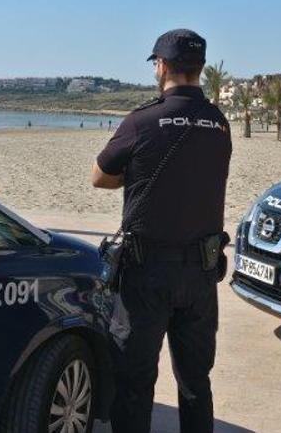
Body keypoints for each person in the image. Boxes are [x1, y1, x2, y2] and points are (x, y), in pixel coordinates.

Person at [91, 28, 232, 433]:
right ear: (201, 68)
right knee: (194, 382)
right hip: (201, 274)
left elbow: (100, 176)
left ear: (162, 66)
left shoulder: (143, 121)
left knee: (135, 383)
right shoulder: (218, 123)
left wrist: (135, 177)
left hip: (146, 273)